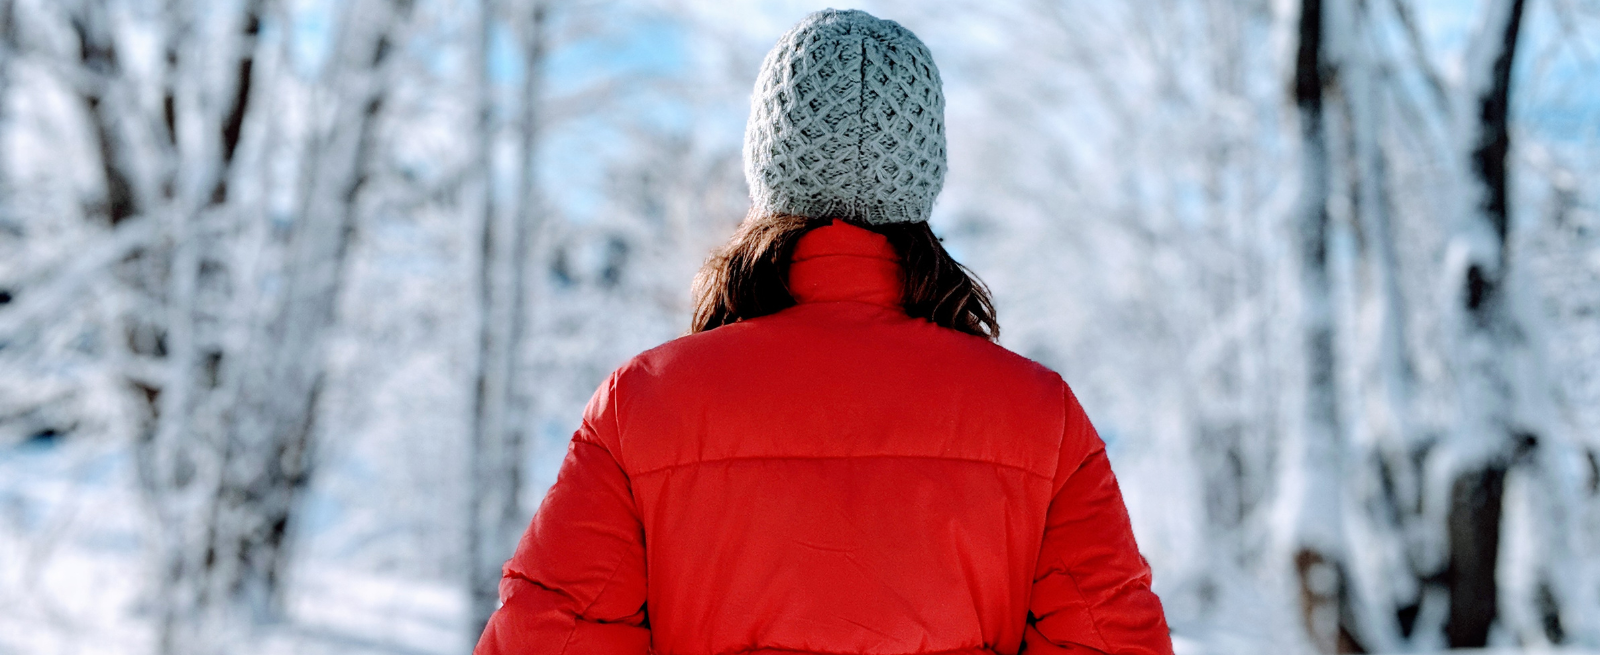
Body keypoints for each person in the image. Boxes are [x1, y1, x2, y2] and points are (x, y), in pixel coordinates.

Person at [474, 9, 1172, 655]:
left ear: (768, 167)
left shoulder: (640, 406)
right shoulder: (1041, 417)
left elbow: (549, 635)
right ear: (922, 173)